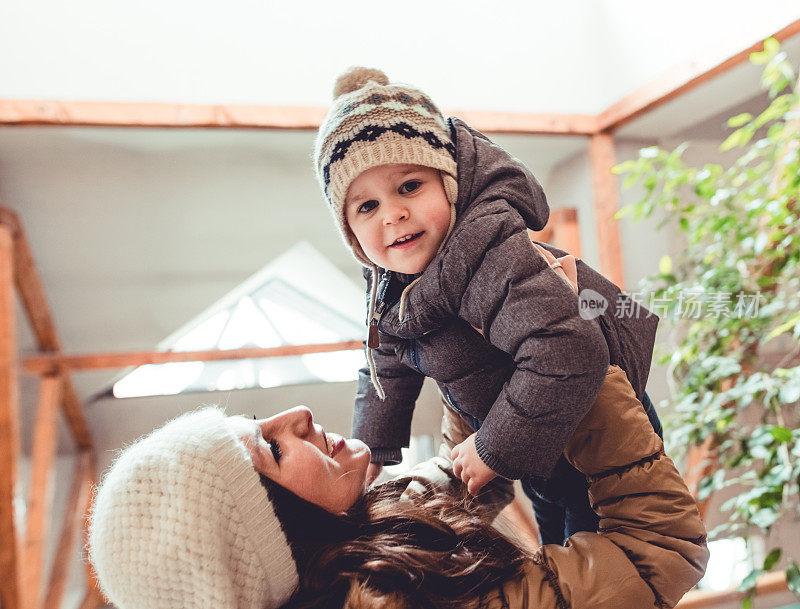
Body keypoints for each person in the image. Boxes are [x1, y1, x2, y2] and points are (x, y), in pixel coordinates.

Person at [312, 66, 663, 544]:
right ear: (350, 231)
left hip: (596, 447)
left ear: (449, 184)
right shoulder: (389, 282)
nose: (393, 214)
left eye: (410, 186)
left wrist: (493, 448)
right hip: (540, 448)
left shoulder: (489, 252)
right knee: (554, 551)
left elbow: (568, 348)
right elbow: (387, 359)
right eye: (366, 206)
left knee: (590, 575)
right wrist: (372, 447)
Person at [87, 365, 708, 609]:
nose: (296, 415)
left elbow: (451, 483)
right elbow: (660, 553)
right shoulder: (407, 600)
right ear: (278, 534)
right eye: (273, 449)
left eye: (257, 419)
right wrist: (577, 375)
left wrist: (475, 368)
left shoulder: (365, 535)